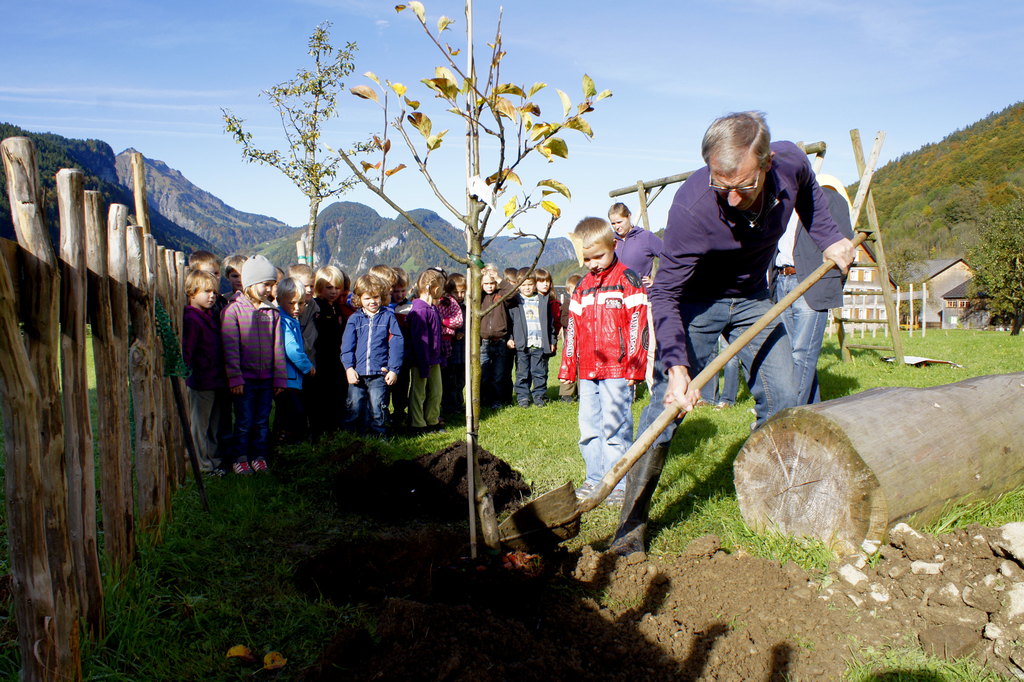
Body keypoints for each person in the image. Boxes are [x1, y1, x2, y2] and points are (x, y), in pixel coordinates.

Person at [611, 111, 855, 556]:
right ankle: (630, 526)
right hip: (696, 302)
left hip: (754, 299)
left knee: (785, 395)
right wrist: (677, 366)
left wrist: (830, 237)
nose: (733, 197)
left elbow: (810, 195)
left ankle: (771, 501)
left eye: (744, 185)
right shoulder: (692, 207)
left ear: (766, 163)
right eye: (722, 185)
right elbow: (665, 292)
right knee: (667, 407)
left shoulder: (791, 162)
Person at [559, 217, 649, 505]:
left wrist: (636, 365)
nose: (593, 263)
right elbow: (572, 329)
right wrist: (568, 366)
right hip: (588, 370)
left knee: (616, 427)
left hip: (618, 369)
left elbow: (638, 325)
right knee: (588, 427)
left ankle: (618, 482)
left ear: (613, 246)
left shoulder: (628, 280)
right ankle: (594, 478)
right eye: (587, 259)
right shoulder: (581, 287)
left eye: (598, 256)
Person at [771, 173, 854, 405]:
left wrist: (831, 284)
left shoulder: (828, 199)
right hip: (783, 280)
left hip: (811, 282)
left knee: (801, 353)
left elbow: (844, 246)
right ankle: (813, 409)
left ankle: (787, 413)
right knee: (789, 355)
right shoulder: (783, 203)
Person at [221, 255, 288, 475]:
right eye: (265, 284)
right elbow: (230, 348)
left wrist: (279, 378)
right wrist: (235, 377)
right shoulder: (233, 311)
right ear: (251, 282)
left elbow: (278, 347)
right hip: (245, 380)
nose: (270, 289)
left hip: (267, 380)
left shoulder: (272, 312)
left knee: (261, 421)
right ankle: (240, 458)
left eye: (271, 285)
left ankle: (259, 457)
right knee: (243, 421)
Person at [341, 275, 404, 437]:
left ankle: (378, 437)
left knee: (377, 407)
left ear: (381, 296)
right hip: (357, 373)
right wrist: (349, 368)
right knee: (354, 406)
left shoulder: (388, 317)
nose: (372, 302)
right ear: (359, 298)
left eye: (375, 297)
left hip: (379, 372)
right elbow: (347, 346)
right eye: (367, 298)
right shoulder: (354, 319)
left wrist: (393, 369)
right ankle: (349, 438)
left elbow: (396, 344)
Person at [181, 269, 227, 474]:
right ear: (192, 292)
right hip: (201, 381)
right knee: (199, 426)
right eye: (207, 291)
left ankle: (213, 460)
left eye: (214, 292)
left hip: (215, 380)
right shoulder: (192, 320)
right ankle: (202, 466)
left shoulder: (208, 317)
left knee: (212, 425)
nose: (212, 296)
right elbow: (187, 352)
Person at [307, 265, 348, 439]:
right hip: (320, 358)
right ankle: (319, 430)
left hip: (336, 359)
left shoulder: (336, 307)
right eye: (329, 287)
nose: (334, 292)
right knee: (320, 396)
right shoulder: (315, 306)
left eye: (337, 288)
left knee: (336, 394)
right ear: (319, 287)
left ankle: (334, 427)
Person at [508, 267, 557, 408]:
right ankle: (523, 398)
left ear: (535, 284)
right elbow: (510, 322)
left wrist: (552, 340)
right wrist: (510, 338)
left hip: (539, 343)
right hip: (522, 344)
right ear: (518, 285)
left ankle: (539, 397)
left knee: (539, 373)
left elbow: (550, 323)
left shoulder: (542, 300)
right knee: (522, 373)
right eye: (523, 285)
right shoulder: (515, 301)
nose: (527, 287)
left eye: (530, 284)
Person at [275, 277, 315, 444]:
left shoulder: (291, 320)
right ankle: (284, 440)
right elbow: (292, 349)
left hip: (292, 379)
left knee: (287, 411)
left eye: (301, 303)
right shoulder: (284, 322)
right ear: (279, 300)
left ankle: (285, 440)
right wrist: (307, 366)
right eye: (292, 303)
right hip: (286, 378)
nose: (297, 308)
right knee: (293, 412)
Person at [407, 268, 446, 433]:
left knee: (436, 391)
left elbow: (437, 336)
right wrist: (424, 364)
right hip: (421, 360)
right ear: (435, 289)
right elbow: (420, 341)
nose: (443, 291)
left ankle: (432, 420)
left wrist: (440, 357)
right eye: (442, 288)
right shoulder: (420, 311)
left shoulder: (432, 309)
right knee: (419, 392)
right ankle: (417, 424)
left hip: (434, 359)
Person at [609, 203, 663, 288]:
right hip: (617, 293)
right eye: (613, 223)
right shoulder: (609, 241)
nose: (617, 227)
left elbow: (670, 258)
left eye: (619, 222)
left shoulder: (646, 237)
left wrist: (658, 281)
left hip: (642, 293)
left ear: (629, 216)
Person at [479, 264, 511, 410]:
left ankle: (496, 400)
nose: (490, 286)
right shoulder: (479, 296)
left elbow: (512, 293)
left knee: (498, 375)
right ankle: (482, 400)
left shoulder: (501, 294)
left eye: (492, 283)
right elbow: (470, 293)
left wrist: (499, 279)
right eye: (486, 283)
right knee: (483, 374)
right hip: (483, 342)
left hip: (500, 341)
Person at [440, 273, 467, 413]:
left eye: (463, 292)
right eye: (456, 292)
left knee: (461, 381)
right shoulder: (447, 306)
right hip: (451, 352)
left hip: (463, 352)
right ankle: (449, 406)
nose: (460, 295)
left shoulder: (465, 308)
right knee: (449, 380)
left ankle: (459, 404)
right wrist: (453, 334)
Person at [557, 273, 583, 403]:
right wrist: (575, 320)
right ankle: (566, 393)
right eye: (574, 290)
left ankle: (582, 393)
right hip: (570, 342)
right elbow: (563, 320)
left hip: (583, 342)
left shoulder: (585, 303)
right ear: (568, 291)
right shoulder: (567, 303)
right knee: (568, 366)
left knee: (582, 368)